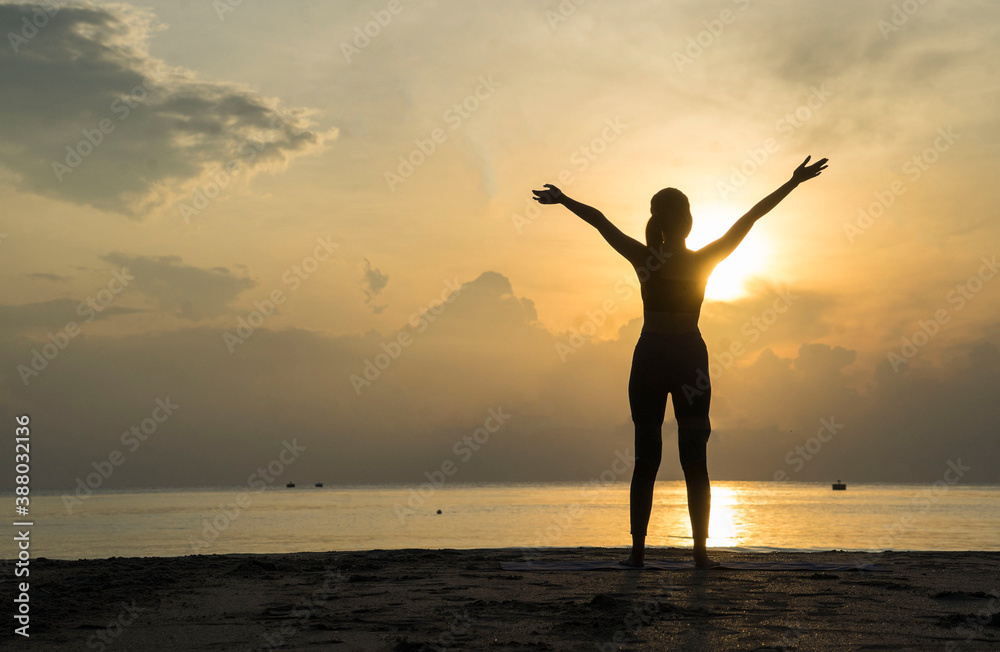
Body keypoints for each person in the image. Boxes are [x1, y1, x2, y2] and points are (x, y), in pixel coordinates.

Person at [532, 156, 828, 568]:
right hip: (688, 357)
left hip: (651, 356)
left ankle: (638, 554)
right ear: (687, 220)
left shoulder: (645, 258)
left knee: (646, 458)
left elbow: (600, 220)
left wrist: (564, 200)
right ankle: (700, 555)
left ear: (657, 220)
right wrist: (792, 182)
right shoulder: (702, 259)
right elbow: (751, 217)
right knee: (695, 459)